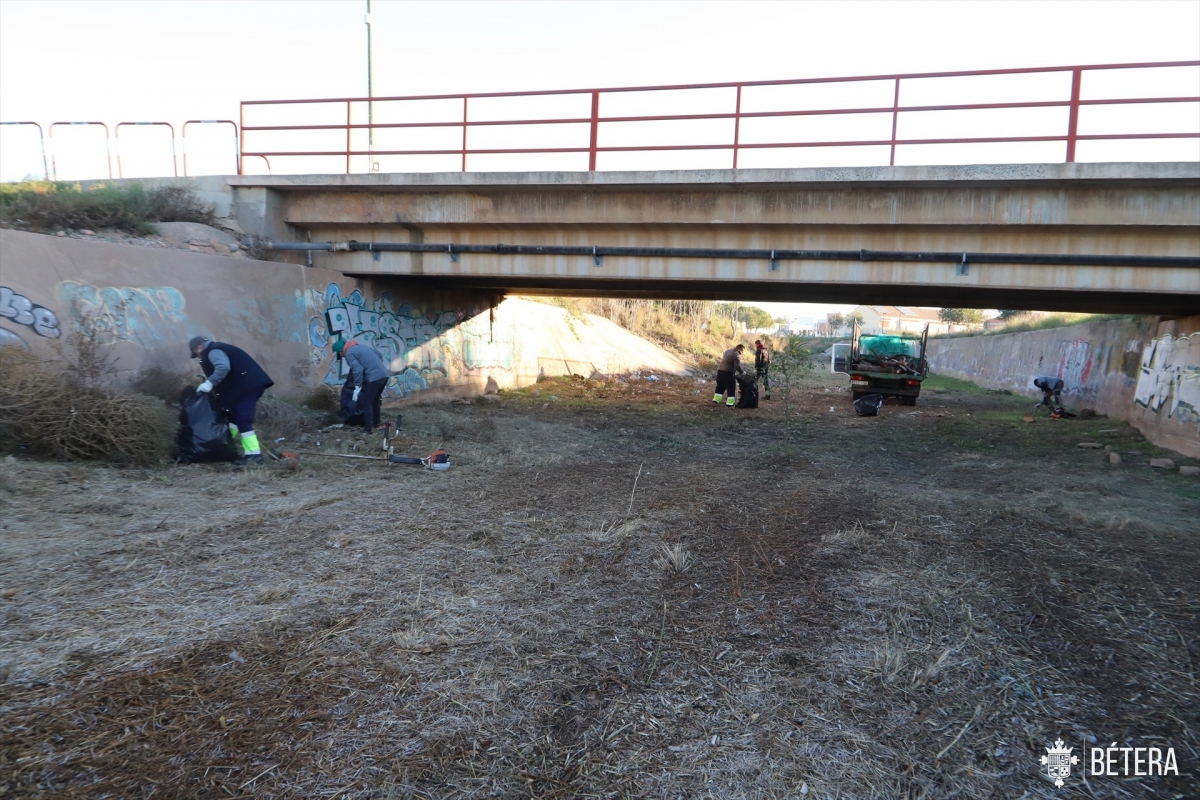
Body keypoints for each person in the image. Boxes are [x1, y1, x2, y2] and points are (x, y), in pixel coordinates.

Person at [189, 336, 274, 464]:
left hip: (247, 386)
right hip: (245, 386)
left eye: (196, 354)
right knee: (233, 417)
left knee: (242, 418)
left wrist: (209, 383)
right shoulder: (217, 348)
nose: (199, 358)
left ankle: (254, 456)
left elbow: (223, 367)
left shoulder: (213, 351)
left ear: (199, 348)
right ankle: (225, 446)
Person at [333, 338, 390, 434]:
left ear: (340, 351)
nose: (340, 356)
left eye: (339, 353)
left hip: (373, 379)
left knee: (367, 403)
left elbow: (358, 370)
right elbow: (379, 355)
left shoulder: (349, 353)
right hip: (384, 375)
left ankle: (367, 430)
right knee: (374, 401)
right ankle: (376, 424)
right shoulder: (360, 347)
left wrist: (357, 387)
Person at [713, 343, 746, 407]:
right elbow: (737, 366)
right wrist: (742, 372)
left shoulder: (727, 351)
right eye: (743, 351)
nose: (743, 353)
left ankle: (716, 399)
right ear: (741, 349)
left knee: (720, 385)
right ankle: (730, 403)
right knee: (730, 387)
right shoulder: (736, 355)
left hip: (720, 370)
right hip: (728, 372)